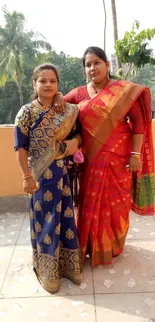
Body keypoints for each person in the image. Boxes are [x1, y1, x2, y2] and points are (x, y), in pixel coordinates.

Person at [53, 46, 155, 267]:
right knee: (89, 204)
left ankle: (114, 246)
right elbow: (58, 107)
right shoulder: (79, 93)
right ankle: (89, 245)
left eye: (97, 62)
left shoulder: (123, 91)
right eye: (88, 65)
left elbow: (138, 122)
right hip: (90, 161)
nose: (92, 68)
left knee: (116, 203)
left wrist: (135, 154)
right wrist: (59, 94)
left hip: (119, 158)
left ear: (107, 65)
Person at [14, 63, 82, 294]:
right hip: (41, 178)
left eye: (53, 81)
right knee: (46, 223)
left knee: (66, 221)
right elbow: (20, 148)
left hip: (62, 176)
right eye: (43, 81)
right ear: (34, 84)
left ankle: (68, 268)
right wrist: (25, 176)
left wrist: (75, 143)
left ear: (58, 84)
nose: (48, 85)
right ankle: (47, 272)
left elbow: (77, 135)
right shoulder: (26, 112)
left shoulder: (66, 110)